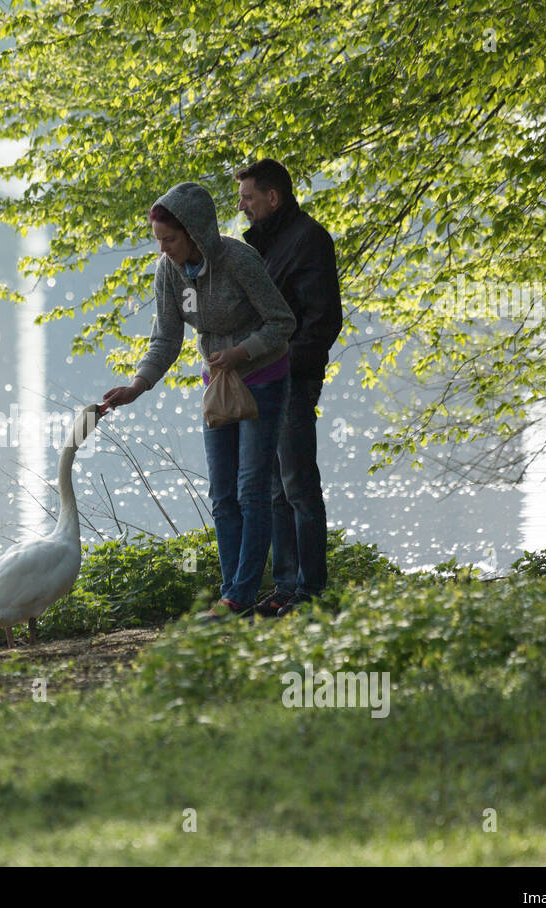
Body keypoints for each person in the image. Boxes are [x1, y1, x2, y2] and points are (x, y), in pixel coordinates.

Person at [103, 182, 295, 618]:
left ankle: (241, 597)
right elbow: (167, 338)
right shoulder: (168, 272)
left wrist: (242, 351)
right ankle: (233, 594)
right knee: (223, 493)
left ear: (195, 231)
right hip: (218, 386)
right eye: (159, 240)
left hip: (262, 378)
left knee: (252, 490)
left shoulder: (239, 260)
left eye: (170, 239)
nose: (165, 248)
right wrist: (138, 385)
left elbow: (283, 321)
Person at [236, 159, 343, 616]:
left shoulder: (309, 240)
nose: (241, 207)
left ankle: (311, 593)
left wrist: (284, 363)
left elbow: (323, 320)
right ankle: (285, 589)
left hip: (292, 381)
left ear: (272, 197)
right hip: (263, 380)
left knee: (298, 484)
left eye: (247, 198)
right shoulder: (265, 244)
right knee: (276, 489)